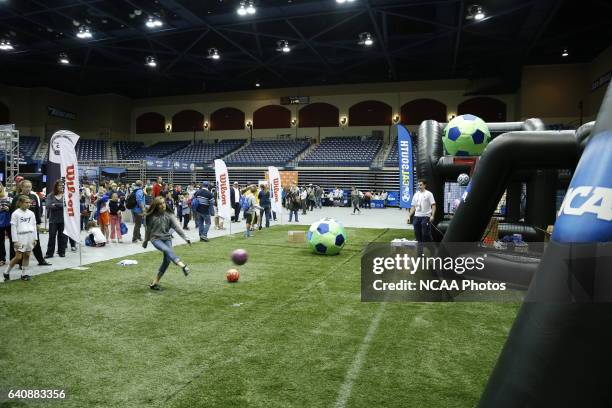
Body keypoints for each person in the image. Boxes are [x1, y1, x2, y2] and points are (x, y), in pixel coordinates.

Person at [143, 196, 191, 291]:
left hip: (167, 238)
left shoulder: (169, 215)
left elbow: (177, 228)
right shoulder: (150, 217)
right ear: (156, 206)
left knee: (167, 260)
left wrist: (186, 238)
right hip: (155, 239)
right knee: (166, 250)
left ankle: (154, 283)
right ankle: (182, 265)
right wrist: (145, 241)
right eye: (160, 204)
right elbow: (148, 230)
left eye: (163, 203)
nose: (163, 205)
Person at [9, 180, 51, 266]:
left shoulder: (33, 197)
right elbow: (13, 212)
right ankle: (19, 263)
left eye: (29, 187)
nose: (28, 188)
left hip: (32, 225)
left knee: (36, 242)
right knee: (21, 246)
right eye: (26, 187)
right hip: (21, 227)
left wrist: (38, 223)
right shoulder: (17, 198)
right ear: (22, 187)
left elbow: (37, 211)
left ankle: (41, 260)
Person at [4, 195, 37, 281]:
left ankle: (24, 274)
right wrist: (15, 241)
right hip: (20, 237)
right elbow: (13, 227)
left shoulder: (31, 213)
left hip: (29, 236)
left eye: (29, 202)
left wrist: (35, 238)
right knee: (18, 257)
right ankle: (6, 272)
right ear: (20, 203)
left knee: (27, 255)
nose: (28, 204)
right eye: (26, 202)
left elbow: (34, 226)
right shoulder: (16, 213)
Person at [408, 179, 437, 255]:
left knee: (425, 235)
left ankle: (432, 250)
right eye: (418, 185)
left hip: (426, 217)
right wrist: (409, 216)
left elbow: (433, 205)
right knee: (418, 236)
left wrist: (432, 216)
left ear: (424, 185)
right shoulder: (416, 194)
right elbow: (413, 206)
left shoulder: (429, 194)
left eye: (421, 185)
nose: (419, 186)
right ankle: (420, 254)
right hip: (416, 217)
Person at [45, 180, 68, 258]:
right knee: (52, 236)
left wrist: (56, 204)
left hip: (63, 220)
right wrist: (61, 205)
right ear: (56, 186)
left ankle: (62, 252)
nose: (62, 187)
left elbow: (67, 206)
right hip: (53, 220)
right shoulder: (50, 195)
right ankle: (49, 253)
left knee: (62, 236)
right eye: (60, 185)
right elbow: (48, 206)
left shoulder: (67, 196)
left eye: (63, 185)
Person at [0, 187, 12, 266]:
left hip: (10, 222)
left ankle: (13, 258)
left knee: (13, 240)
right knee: (0, 241)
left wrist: (9, 208)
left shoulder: (9, 195)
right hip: (0, 222)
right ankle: (1, 259)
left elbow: (15, 207)